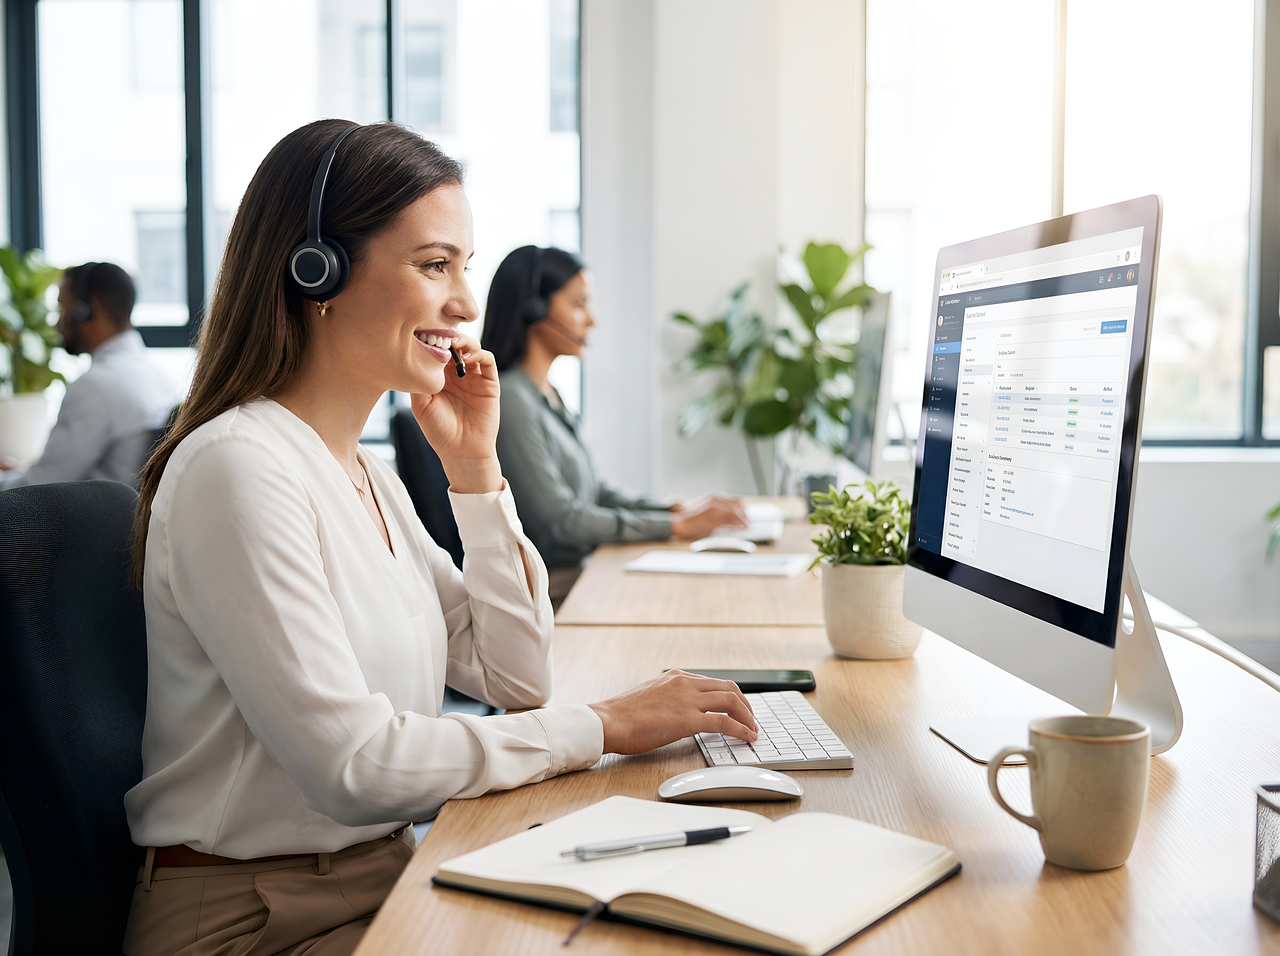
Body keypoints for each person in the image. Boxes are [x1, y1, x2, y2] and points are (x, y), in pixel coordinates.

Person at [121, 119, 759, 956]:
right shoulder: (237, 469)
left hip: (382, 871)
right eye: (434, 266)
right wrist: (603, 725)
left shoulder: (368, 475)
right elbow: (356, 767)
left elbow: (517, 675)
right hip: (254, 920)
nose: (465, 304)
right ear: (318, 271)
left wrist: (478, 476)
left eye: (465, 267)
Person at [481, 245, 748, 602]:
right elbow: (559, 521)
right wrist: (677, 526)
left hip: (582, 571)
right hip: (549, 587)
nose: (592, 319)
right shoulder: (511, 398)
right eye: (579, 304)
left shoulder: (547, 394)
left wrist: (674, 509)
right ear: (535, 308)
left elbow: (595, 492)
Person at [0, 262, 175, 489]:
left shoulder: (95, 387)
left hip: (88, 521)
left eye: (62, 309)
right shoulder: (154, 374)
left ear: (86, 310)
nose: (58, 323)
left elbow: (38, 487)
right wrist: (21, 470)